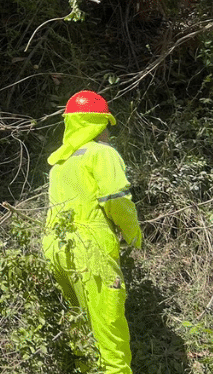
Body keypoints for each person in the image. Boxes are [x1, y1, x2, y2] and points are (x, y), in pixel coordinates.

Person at [42, 90, 143, 374]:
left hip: (56, 248)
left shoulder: (60, 162)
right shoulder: (102, 154)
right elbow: (116, 199)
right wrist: (134, 234)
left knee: (81, 331)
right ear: (100, 124)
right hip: (92, 251)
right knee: (109, 332)